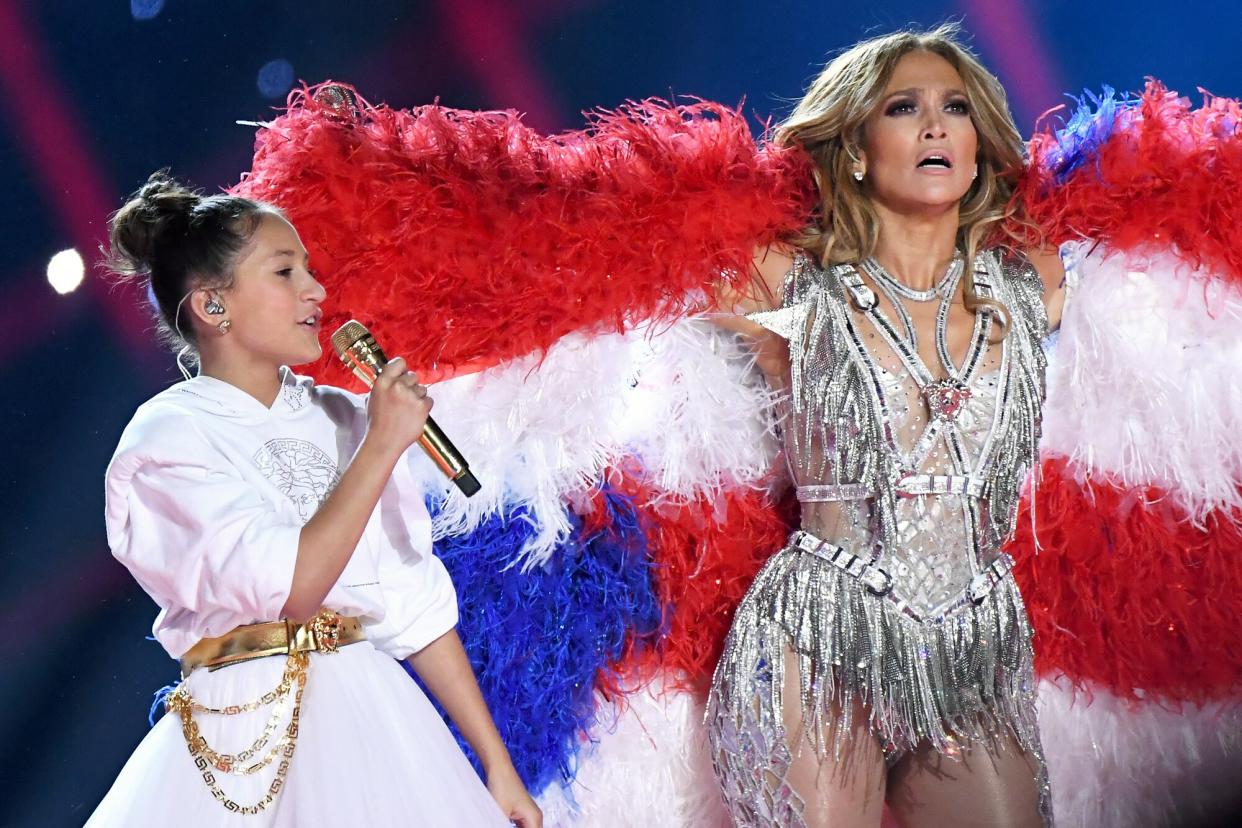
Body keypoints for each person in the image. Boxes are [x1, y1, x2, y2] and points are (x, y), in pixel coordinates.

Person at [87, 171, 542, 828]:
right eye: (284, 272)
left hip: (372, 715)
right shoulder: (167, 440)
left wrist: (496, 766)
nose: (316, 290)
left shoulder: (342, 415)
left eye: (309, 269)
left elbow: (407, 600)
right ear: (214, 307)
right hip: (242, 732)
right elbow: (288, 589)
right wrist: (382, 443)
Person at [706, 25, 1066, 828]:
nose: (936, 125)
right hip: (820, 636)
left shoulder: (1033, 284)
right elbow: (607, 258)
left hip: (974, 645)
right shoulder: (785, 284)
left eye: (956, 108)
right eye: (904, 107)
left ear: (978, 150)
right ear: (858, 149)